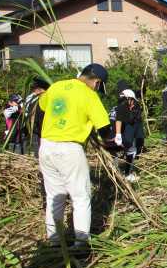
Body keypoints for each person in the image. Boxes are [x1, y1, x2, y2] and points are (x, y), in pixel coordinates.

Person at [38, 63, 112, 246]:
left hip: (46, 146)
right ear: (97, 82)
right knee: (80, 196)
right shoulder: (89, 95)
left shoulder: (56, 87)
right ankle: (81, 243)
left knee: (55, 196)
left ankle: (54, 240)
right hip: (69, 148)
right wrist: (110, 144)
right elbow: (104, 127)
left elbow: (42, 107)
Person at [114, 89, 145, 182]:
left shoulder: (134, 109)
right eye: (132, 101)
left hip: (124, 137)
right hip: (116, 136)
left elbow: (137, 126)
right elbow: (118, 120)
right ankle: (121, 174)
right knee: (118, 152)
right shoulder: (122, 107)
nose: (133, 103)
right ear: (129, 99)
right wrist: (118, 134)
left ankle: (122, 174)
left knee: (131, 150)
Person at [24, 77, 51, 157]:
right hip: (37, 131)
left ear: (41, 89)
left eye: (35, 88)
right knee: (38, 151)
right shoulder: (33, 100)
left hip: (45, 131)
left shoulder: (47, 99)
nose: (34, 90)